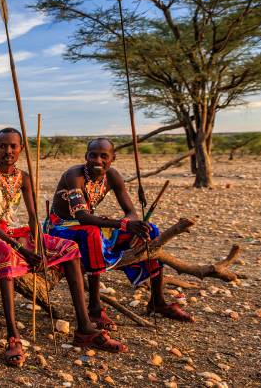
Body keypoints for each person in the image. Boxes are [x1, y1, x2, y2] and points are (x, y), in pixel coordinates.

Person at [0, 128, 126, 365]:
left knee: (68, 248)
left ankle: (85, 328)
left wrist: (38, 243)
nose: (8, 151)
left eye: (13, 146)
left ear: (21, 149)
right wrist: (24, 250)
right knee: (7, 253)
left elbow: (33, 218)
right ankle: (13, 337)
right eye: (3, 146)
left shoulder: (24, 177)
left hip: (13, 230)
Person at [46, 138, 194, 333]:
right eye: (93, 155)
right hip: (61, 228)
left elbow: (131, 212)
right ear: (86, 157)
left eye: (104, 156)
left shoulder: (113, 176)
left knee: (151, 231)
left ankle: (157, 301)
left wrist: (132, 226)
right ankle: (95, 308)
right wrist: (124, 224)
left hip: (90, 223)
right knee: (92, 234)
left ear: (113, 158)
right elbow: (82, 217)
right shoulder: (75, 176)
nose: (98, 160)